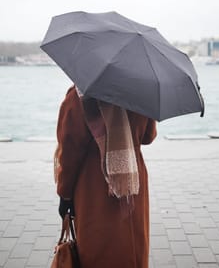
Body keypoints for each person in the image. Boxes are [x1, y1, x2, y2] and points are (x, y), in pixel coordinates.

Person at [55, 85, 157, 268]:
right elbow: (148, 136)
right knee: (133, 248)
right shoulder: (141, 92)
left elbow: (69, 151)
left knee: (98, 251)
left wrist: (65, 194)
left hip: (93, 186)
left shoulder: (80, 96)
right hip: (131, 181)